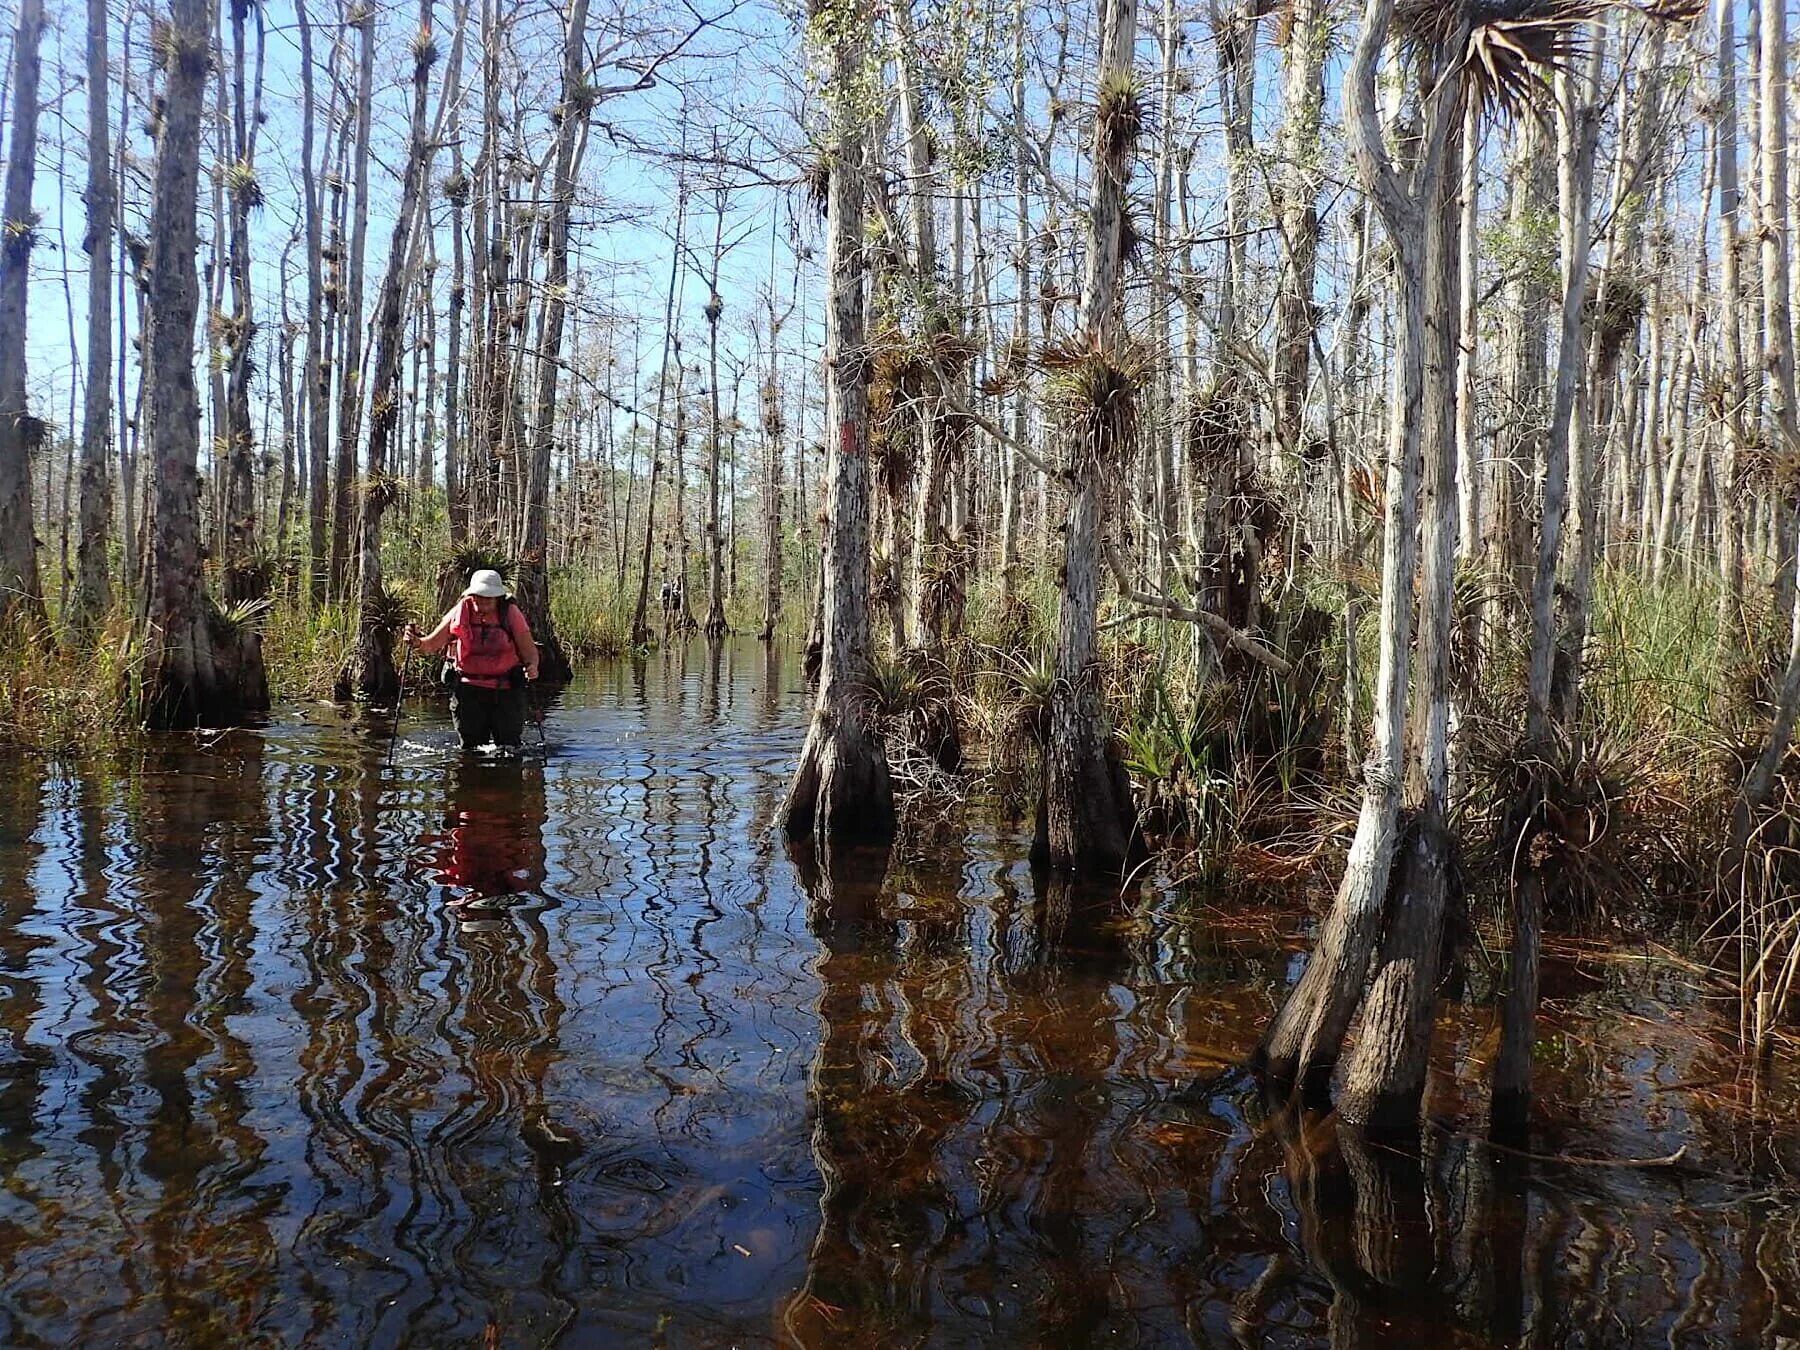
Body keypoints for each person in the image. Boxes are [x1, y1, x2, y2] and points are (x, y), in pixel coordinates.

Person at [404, 568, 540, 751]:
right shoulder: (460, 612)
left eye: (488, 597)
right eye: (478, 596)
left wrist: (532, 667)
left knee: (510, 749)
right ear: (471, 595)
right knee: (470, 750)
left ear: (498, 597)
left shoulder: (510, 613)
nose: (482, 601)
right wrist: (416, 642)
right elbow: (430, 645)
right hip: (467, 691)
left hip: (506, 691)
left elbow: (529, 651)